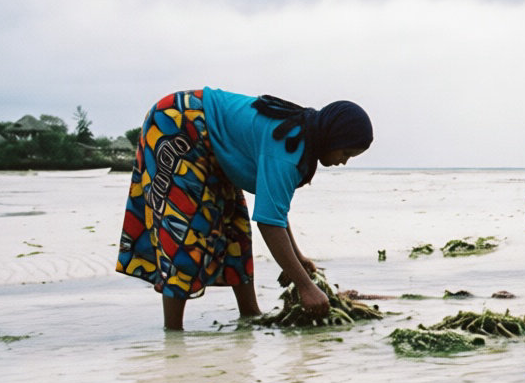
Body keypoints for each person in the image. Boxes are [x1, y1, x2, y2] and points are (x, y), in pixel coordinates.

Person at [116, 88, 373, 330]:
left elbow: (275, 211)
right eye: (346, 152)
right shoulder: (287, 151)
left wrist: (299, 258)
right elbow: (269, 223)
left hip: (213, 146)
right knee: (184, 230)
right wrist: (305, 286)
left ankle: (249, 313)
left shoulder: (301, 139)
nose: (343, 161)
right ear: (332, 137)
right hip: (178, 124)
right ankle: (173, 332)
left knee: (234, 227)